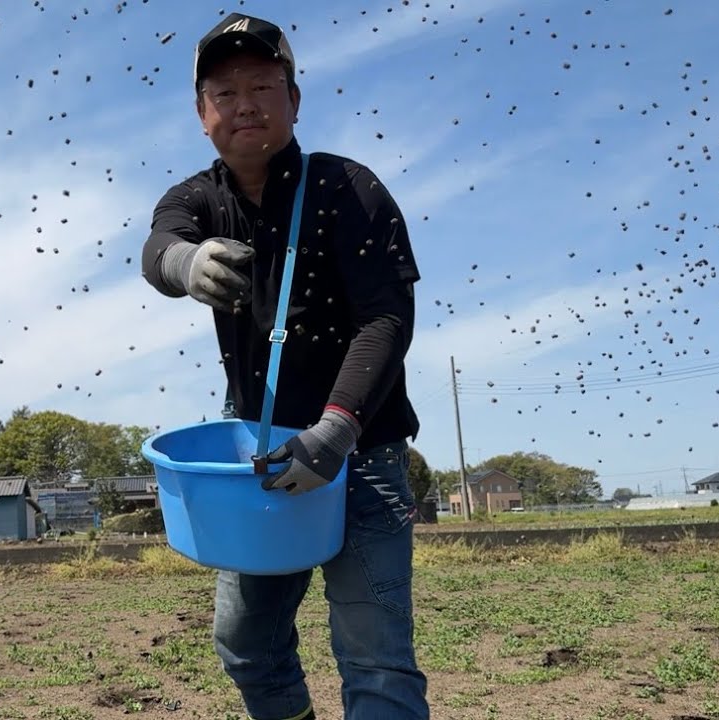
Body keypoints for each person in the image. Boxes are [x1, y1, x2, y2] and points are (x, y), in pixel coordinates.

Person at [139, 12, 430, 720]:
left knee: (375, 656)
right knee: (245, 641)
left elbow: (386, 318)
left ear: (294, 100)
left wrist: (336, 431)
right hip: (264, 463)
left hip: (360, 459)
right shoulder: (198, 200)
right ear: (202, 111)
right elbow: (157, 247)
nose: (245, 103)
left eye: (264, 85)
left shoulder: (347, 190)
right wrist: (187, 261)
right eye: (226, 90)